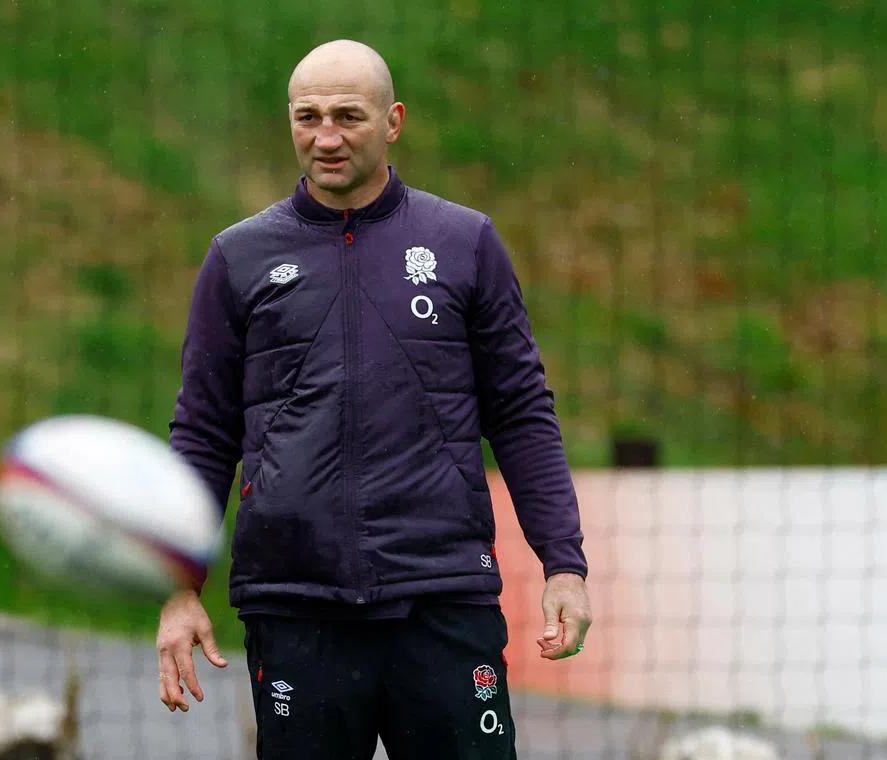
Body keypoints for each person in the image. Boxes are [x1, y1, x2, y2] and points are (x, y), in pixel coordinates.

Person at [158, 38, 592, 759]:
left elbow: (520, 413)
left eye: (347, 117)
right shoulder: (237, 257)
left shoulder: (464, 243)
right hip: (296, 604)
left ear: (393, 121)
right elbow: (203, 432)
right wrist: (180, 588)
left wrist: (564, 564)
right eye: (308, 117)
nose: (325, 137)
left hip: (442, 598)